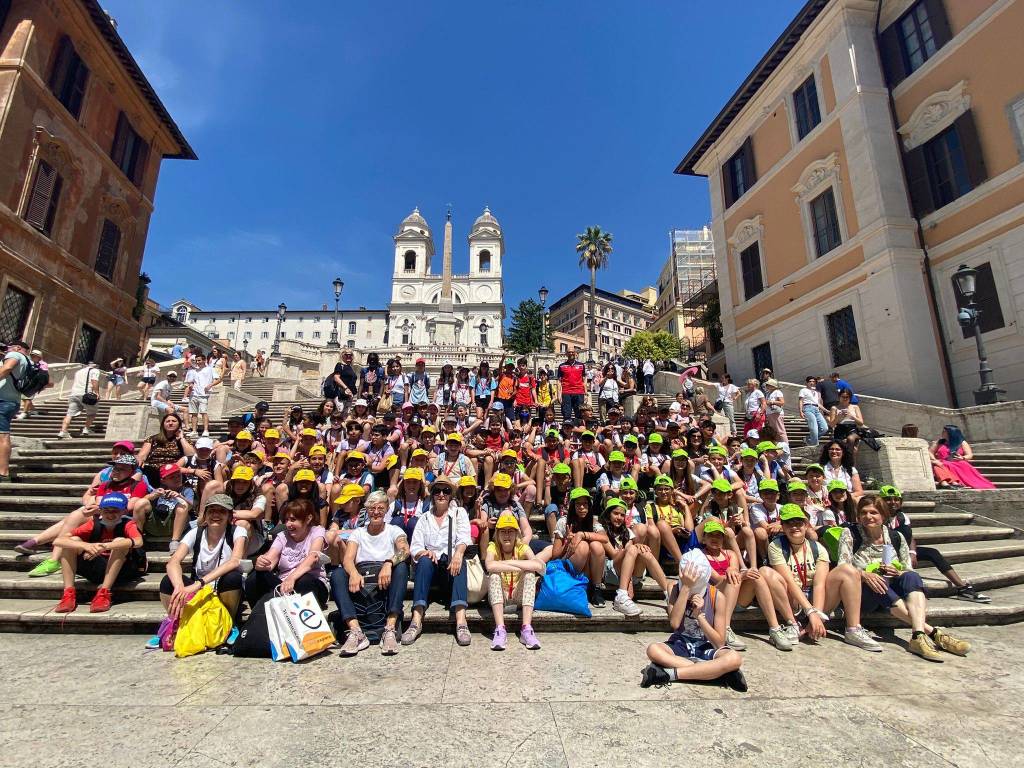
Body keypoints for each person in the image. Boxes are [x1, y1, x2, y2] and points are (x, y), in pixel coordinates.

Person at [838, 497, 970, 661]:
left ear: (884, 515)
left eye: (874, 512)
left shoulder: (896, 537)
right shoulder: (850, 533)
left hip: (893, 593)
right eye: (863, 513)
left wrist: (896, 572)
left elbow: (907, 567)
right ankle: (934, 633)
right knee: (878, 581)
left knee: (912, 576)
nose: (868, 516)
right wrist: (865, 574)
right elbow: (843, 566)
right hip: (863, 593)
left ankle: (918, 635)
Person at [768, 504, 881, 651]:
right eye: (788, 523)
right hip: (792, 598)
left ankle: (853, 629)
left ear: (806, 524)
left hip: (816, 598)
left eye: (798, 522)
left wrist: (817, 615)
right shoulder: (776, 546)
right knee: (768, 574)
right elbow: (789, 582)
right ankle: (793, 624)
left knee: (848, 570)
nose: (794, 527)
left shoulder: (818, 548)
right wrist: (810, 612)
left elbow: (819, 584)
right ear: (782, 526)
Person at [153, 493, 247, 647]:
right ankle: (174, 622)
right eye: (212, 511)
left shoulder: (237, 532)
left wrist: (200, 583)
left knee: (233, 577)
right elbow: (173, 562)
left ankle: (230, 623)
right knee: (167, 581)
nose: (216, 515)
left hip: (220, 587)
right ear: (205, 515)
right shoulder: (195, 533)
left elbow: (235, 561)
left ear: (230, 516)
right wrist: (179, 587)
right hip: (198, 589)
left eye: (222, 511)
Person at [640, 561, 746, 691]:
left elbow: (719, 643)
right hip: (681, 644)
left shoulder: (717, 596)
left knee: (734, 658)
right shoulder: (675, 588)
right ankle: (713, 673)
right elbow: (674, 623)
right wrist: (685, 588)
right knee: (653, 650)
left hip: (706, 646)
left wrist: (699, 616)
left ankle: (669, 674)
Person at [331, 490, 410, 657]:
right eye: (372, 508)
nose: (376, 512)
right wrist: (352, 573)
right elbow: (347, 559)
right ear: (366, 510)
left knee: (402, 568)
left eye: (380, 508)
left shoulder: (393, 530)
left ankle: (390, 627)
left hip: (384, 576)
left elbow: (405, 550)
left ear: (386, 509)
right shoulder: (359, 532)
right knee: (338, 574)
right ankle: (355, 631)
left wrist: (389, 563)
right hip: (362, 576)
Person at [878, 485, 989, 603]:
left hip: (901, 550)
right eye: (888, 499)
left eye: (896, 499)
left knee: (932, 552)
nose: (892, 502)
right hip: (883, 552)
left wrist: (912, 552)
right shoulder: (877, 516)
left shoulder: (902, 517)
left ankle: (963, 588)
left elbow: (910, 537)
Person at [403, 476, 473, 647]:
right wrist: (423, 552)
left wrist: (458, 553)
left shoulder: (459, 513)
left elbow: (464, 537)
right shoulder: (424, 518)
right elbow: (415, 547)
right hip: (431, 570)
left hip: (450, 568)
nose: (442, 494)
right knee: (425, 561)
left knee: (460, 560)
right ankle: (416, 620)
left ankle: (461, 621)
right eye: (437, 491)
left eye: (446, 491)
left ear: (451, 495)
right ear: (432, 494)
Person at [53, 492, 146, 614]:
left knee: (120, 541)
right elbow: (58, 540)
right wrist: (86, 545)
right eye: (106, 510)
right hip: (98, 566)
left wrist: (105, 546)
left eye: (115, 511)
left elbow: (138, 541)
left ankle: (104, 592)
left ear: (123, 512)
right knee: (71, 542)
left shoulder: (128, 524)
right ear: (100, 511)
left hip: (122, 569)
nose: (110, 514)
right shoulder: (94, 524)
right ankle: (68, 593)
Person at [245, 498, 329, 606]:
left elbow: (313, 557)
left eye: (293, 520)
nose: (288, 524)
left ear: (308, 519)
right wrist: (262, 563)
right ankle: (261, 615)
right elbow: (270, 559)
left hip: (312, 584)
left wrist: (292, 577)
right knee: (253, 579)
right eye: (286, 520)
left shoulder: (317, 531)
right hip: (284, 584)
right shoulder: (282, 536)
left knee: (304, 580)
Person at [485, 512, 545, 650]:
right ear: (497, 534)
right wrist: (520, 566)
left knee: (530, 574)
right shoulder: (493, 546)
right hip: (501, 596)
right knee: (494, 576)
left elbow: (539, 566)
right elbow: (489, 565)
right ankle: (500, 629)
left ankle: (526, 629)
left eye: (510, 531)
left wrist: (508, 563)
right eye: (503, 531)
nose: (507, 535)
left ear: (516, 533)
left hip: (518, 595)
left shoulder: (521, 546)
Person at [551, 488, 608, 606]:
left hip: (590, 567)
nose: (582, 507)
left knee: (596, 545)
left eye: (585, 504)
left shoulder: (593, 521)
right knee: (582, 546)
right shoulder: (563, 522)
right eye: (578, 504)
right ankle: (579, 586)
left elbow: (605, 538)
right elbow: (555, 555)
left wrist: (581, 534)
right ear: (572, 506)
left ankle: (596, 589)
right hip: (570, 564)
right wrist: (567, 543)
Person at [930, 425, 996, 490]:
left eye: (944, 431)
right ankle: (950, 482)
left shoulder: (962, 442)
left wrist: (962, 458)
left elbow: (969, 455)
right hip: (942, 462)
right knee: (938, 465)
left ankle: (948, 482)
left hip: (958, 463)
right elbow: (930, 452)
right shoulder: (939, 442)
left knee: (939, 466)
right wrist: (934, 459)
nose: (942, 432)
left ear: (951, 432)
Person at [0, 340, 29, 482]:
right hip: (13, 400)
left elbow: (6, 369)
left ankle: (3, 472)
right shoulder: (28, 361)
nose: (7, 350)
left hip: (3, 400)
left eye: (9, 347)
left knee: (2, 436)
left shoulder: (15, 355)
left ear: (17, 347)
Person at [58, 360, 101, 439]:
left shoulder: (79, 371)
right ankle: (86, 429)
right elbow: (94, 381)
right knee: (92, 413)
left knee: (69, 414)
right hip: (86, 395)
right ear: (96, 366)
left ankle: (63, 431)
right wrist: (97, 393)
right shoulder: (95, 371)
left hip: (74, 394)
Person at [16, 348, 51, 420]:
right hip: (26, 383)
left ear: (39, 357)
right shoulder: (28, 361)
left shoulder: (43, 364)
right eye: (32, 355)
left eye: (36, 356)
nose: (33, 357)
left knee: (28, 397)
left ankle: (24, 412)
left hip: (35, 384)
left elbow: (44, 375)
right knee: (24, 397)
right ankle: (33, 410)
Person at [557, 349, 586, 423]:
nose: (571, 353)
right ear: (566, 354)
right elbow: (559, 381)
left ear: (575, 353)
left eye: (572, 352)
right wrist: (559, 394)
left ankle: (579, 431)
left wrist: (585, 392)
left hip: (579, 392)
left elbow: (584, 379)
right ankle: (567, 431)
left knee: (579, 414)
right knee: (566, 414)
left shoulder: (581, 365)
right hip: (566, 392)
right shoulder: (561, 366)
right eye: (569, 352)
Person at [798, 376, 829, 446]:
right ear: (807, 382)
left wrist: (827, 411)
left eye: (814, 382)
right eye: (810, 381)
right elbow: (801, 401)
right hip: (807, 408)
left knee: (824, 428)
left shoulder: (816, 392)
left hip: (816, 409)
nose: (812, 383)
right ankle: (815, 445)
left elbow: (818, 404)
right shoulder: (803, 390)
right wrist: (800, 411)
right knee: (814, 428)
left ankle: (808, 438)